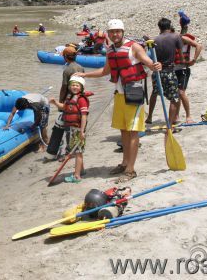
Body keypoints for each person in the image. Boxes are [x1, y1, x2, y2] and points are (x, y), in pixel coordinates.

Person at [76, 19, 160, 182]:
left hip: (134, 94)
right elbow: (105, 71)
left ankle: (130, 170)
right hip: (120, 94)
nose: (115, 34)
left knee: (133, 131)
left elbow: (148, 62)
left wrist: (156, 65)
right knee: (123, 130)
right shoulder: (110, 50)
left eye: (117, 31)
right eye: (112, 32)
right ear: (108, 34)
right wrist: (85, 75)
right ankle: (124, 163)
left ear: (122, 32)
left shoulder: (134, 47)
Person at [46, 47, 86, 158]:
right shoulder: (81, 67)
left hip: (69, 101)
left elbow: (64, 87)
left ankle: (67, 151)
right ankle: (72, 149)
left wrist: (60, 102)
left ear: (65, 57)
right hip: (79, 100)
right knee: (74, 124)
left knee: (66, 125)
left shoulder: (67, 70)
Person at [49, 76, 89, 183]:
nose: (74, 87)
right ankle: (81, 170)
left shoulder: (81, 99)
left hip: (78, 129)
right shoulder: (71, 97)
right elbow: (64, 107)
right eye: (73, 85)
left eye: (77, 85)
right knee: (77, 151)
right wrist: (55, 103)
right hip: (72, 128)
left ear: (81, 87)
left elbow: (84, 116)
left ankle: (76, 176)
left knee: (78, 152)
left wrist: (82, 130)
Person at [150, 18, 184, 125]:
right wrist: (184, 62)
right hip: (168, 71)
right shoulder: (175, 36)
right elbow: (181, 54)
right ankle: (170, 123)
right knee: (174, 98)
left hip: (156, 72)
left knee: (155, 93)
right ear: (169, 26)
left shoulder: (155, 40)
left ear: (159, 27)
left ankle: (150, 117)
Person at [174, 17, 203, 124]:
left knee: (181, 93)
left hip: (183, 70)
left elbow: (198, 46)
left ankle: (188, 116)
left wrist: (194, 60)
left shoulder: (183, 38)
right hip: (174, 69)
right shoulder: (174, 39)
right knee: (177, 94)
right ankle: (176, 115)